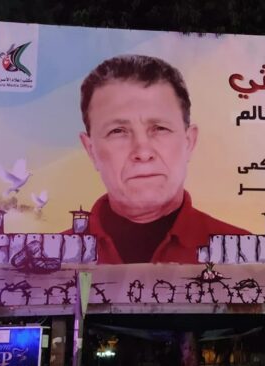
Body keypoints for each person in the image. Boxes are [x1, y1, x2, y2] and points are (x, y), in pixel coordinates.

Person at [78, 55, 249, 264]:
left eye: (159, 128)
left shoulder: (249, 256)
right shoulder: (47, 258)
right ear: (91, 150)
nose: (143, 153)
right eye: (118, 131)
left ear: (189, 142)